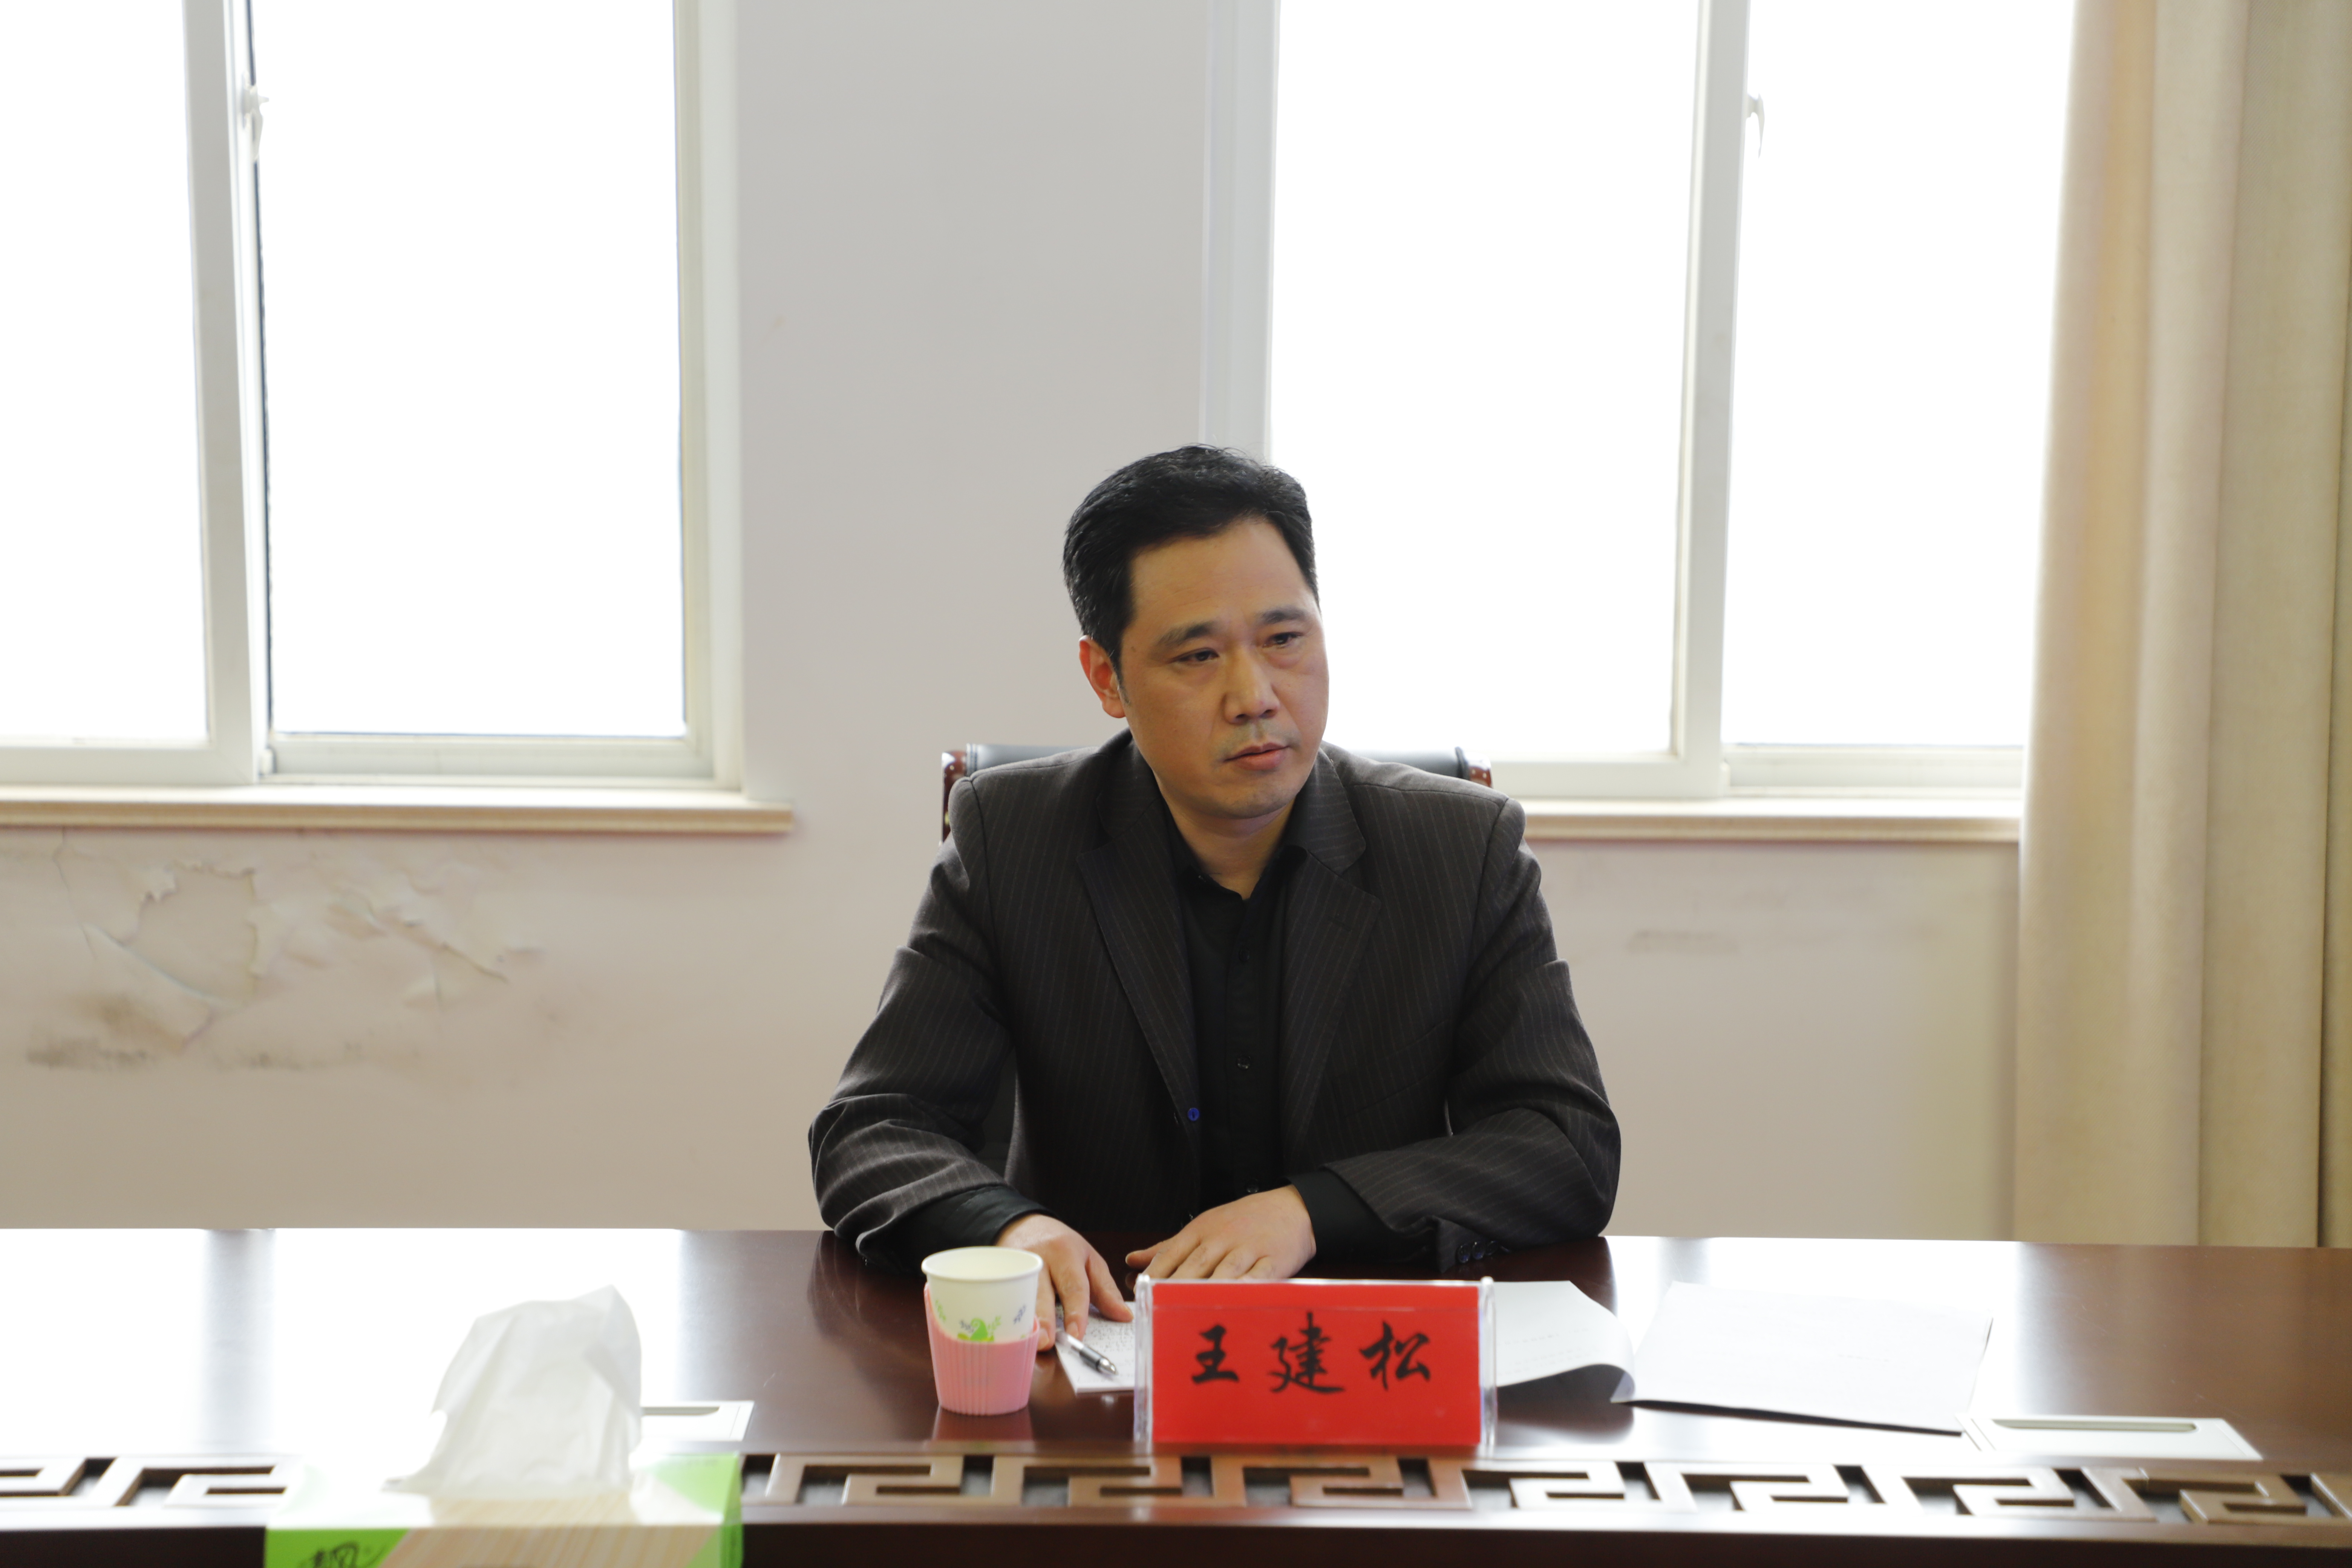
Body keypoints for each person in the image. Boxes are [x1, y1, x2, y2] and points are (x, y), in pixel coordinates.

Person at [808, 446, 1618, 1343]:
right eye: (1197, 655)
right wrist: (1008, 1227)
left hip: (1361, 1358)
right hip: (1098, 1355)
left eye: (1285, 640)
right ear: (1107, 678)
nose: (1254, 695)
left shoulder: (1460, 849)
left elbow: (1565, 1144)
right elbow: (872, 1128)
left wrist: (1311, 1210)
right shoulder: (1013, 839)